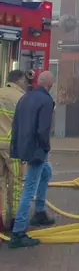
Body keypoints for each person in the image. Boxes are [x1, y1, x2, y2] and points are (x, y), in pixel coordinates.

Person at [8, 70, 56, 249]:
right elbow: (43, 129)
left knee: (47, 172)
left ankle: (40, 212)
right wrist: (45, 147)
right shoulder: (46, 101)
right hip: (36, 150)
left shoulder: (25, 97)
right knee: (29, 188)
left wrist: (17, 148)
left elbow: (16, 123)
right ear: (50, 85)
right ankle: (18, 233)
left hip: (23, 147)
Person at [0, 70, 28, 232]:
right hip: (13, 148)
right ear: (19, 81)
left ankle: (1, 221)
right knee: (16, 183)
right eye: (24, 81)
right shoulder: (21, 99)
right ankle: (16, 220)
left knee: (0, 184)